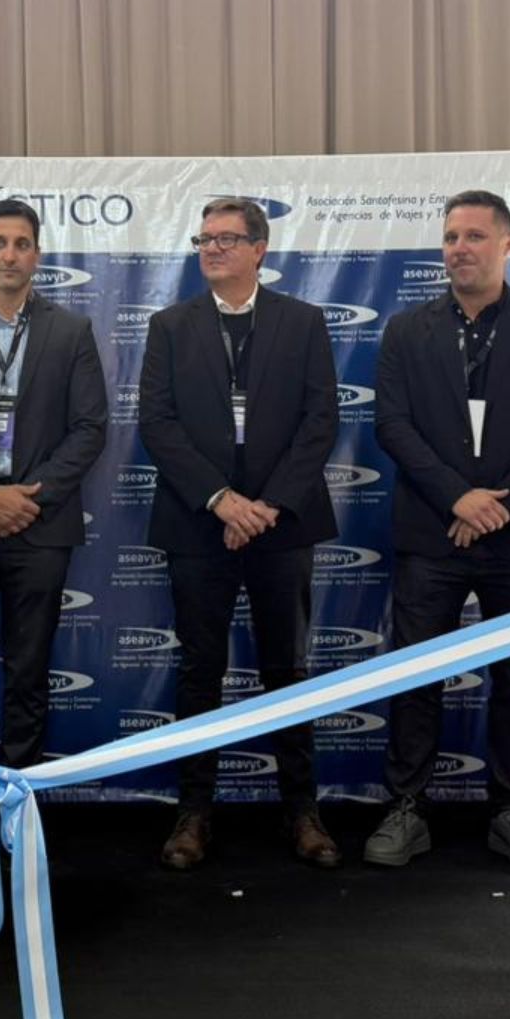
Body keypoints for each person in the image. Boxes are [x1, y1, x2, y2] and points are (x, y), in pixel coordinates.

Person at [365, 189, 510, 872]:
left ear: (508, 245)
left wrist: (502, 506)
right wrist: (458, 499)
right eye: (451, 237)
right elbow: (392, 426)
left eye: (475, 236)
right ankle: (407, 807)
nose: (459, 248)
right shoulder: (406, 331)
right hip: (433, 533)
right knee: (415, 675)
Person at [137, 197, 342, 871]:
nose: (213, 249)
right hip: (199, 523)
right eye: (204, 239)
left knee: (288, 670)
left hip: (283, 524)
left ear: (259, 249)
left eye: (227, 239)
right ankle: (194, 813)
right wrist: (224, 502)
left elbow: (320, 421)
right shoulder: (170, 326)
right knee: (200, 670)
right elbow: (157, 424)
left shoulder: (302, 322)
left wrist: (266, 507)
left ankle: (302, 811)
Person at [0, 200, 107, 778]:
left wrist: (29, 499)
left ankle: (18, 799)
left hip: (41, 526)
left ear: (37, 255)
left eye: (22, 244)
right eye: (0, 243)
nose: (10, 255)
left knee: (29, 671)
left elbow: (90, 428)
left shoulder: (71, 331)